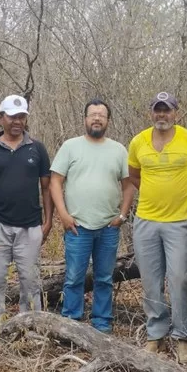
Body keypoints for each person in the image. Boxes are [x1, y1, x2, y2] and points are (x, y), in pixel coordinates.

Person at [128, 91, 187, 363]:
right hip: (146, 221)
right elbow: (135, 175)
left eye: (167, 110)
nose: (162, 115)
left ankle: (182, 337)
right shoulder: (139, 141)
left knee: (179, 280)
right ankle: (156, 336)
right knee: (150, 281)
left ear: (177, 113)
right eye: (157, 110)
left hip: (180, 223)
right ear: (151, 113)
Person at [49, 99, 135, 333]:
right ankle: (71, 324)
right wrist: (63, 215)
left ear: (108, 121)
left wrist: (122, 215)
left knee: (104, 278)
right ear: (85, 119)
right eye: (92, 114)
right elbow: (55, 181)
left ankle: (102, 324)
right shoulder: (70, 146)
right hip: (77, 226)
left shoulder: (118, 149)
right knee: (74, 277)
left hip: (108, 227)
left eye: (102, 115)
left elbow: (128, 185)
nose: (97, 118)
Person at [0, 95, 53, 329]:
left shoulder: (37, 148)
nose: (17, 121)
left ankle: (31, 329)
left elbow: (47, 187)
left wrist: (48, 221)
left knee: (30, 282)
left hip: (30, 227)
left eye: (21, 116)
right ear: (1, 118)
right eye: (12, 116)